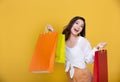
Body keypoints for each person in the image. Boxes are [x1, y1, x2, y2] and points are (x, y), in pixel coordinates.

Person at [46, 16, 107, 82]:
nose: (78, 27)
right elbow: (57, 51)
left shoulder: (83, 41)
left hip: (84, 77)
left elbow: (89, 60)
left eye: (81, 26)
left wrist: (97, 47)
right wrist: (52, 31)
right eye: (76, 23)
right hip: (71, 78)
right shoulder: (63, 40)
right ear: (71, 24)